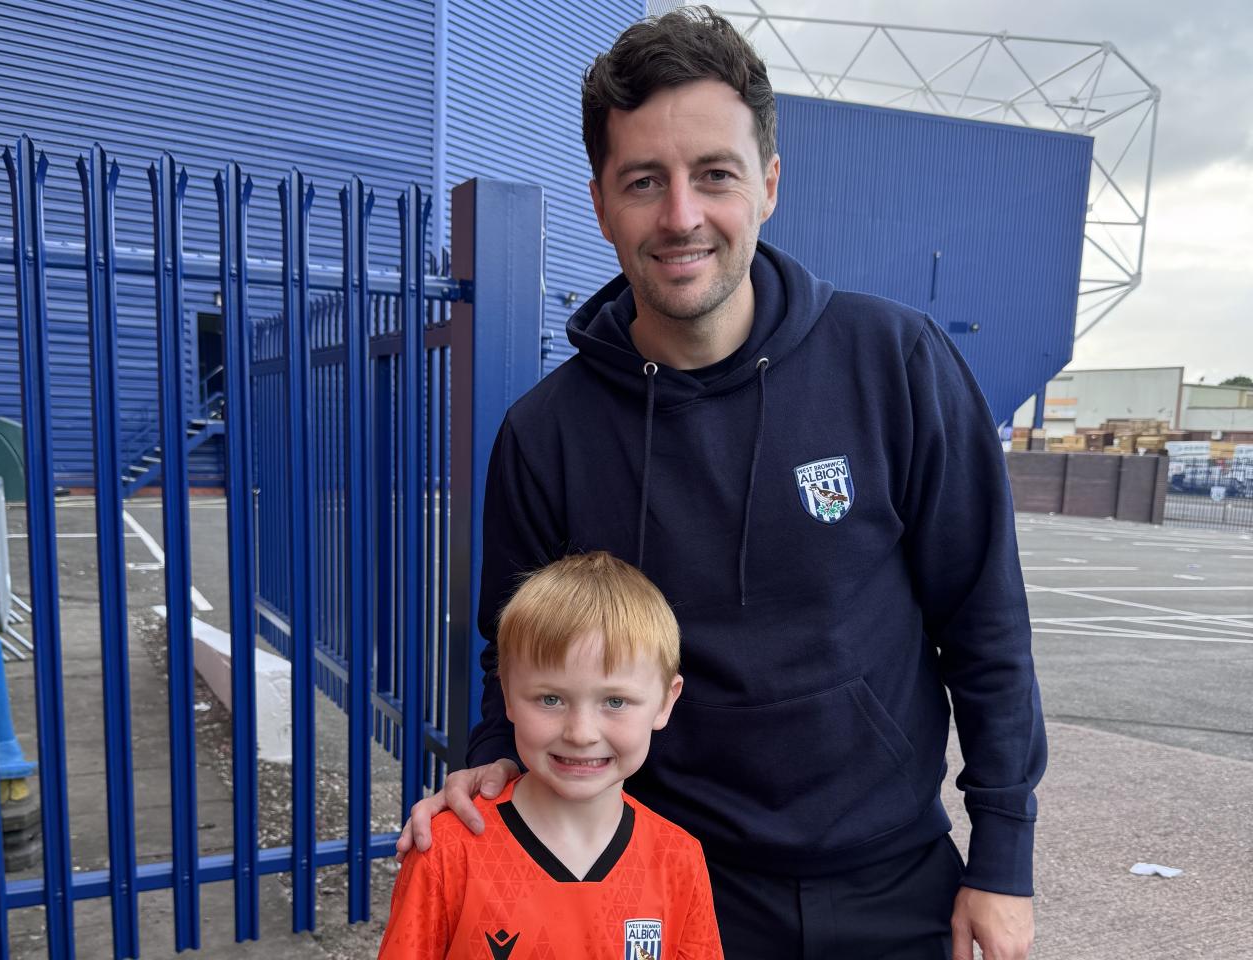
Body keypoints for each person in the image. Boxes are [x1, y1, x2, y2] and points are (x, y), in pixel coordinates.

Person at [396, 6, 1046, 958]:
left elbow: (984, 623)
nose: (681, 216)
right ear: (600, 202)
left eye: (715, 176)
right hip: (668, 888)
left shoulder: (895, 363)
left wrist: (1004, 857)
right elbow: (515, 653)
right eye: (644, 182)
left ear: (769, 184)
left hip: (893, 880)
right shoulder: (546, 435)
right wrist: (491, 766)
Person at [378, 552, 723, 959]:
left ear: (666, 702)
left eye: (615, 701)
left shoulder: (679, 859)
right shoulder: (447, 853)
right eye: (551, 698)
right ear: (506, 694)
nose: (580, 733)